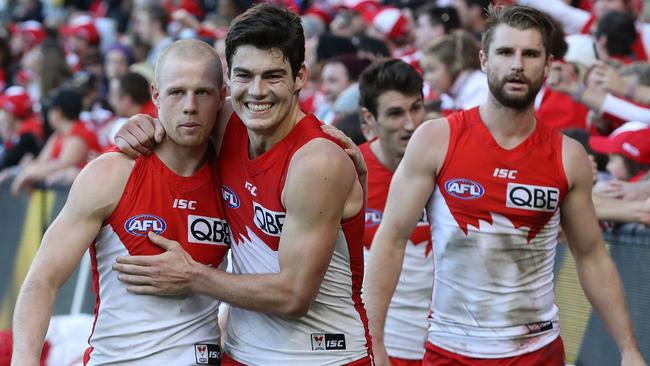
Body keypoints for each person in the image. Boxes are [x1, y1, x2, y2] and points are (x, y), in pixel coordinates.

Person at [363, 5, 646, 366]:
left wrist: (628, 348)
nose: (517, 64)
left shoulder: (567, 156)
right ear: (483, 60)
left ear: (547, 66)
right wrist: (375, 342)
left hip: (537, 352)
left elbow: (590, 255)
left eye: (530, 54)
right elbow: (391, 239)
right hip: (452, 351)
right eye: (505, 52)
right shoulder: (436, 139)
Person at [113, 4, 370, 365]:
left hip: (322, 357)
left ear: (300, 77)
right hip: (241, 354)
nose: (257, 92)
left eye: (273, 76)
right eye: (244, 76)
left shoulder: (317, 161)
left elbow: (294, 296)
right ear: (228, 81)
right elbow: (176, 113)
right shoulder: (227, 120)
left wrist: (192, 276)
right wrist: (135, 124)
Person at [11, 39, 230, 365]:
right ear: (155, 95)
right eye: (176, 92)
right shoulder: (112, 172)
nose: (189, 106)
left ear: (222, 96)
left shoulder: (235, 178)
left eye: (202, 92)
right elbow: (43, 280)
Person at [358, 58, 433, 365]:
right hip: (374, 346)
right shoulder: (346, 172)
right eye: (395, 113)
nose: (410, 124)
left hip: (445, 347)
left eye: (416, 108)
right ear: (369, 120)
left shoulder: (448, 168)